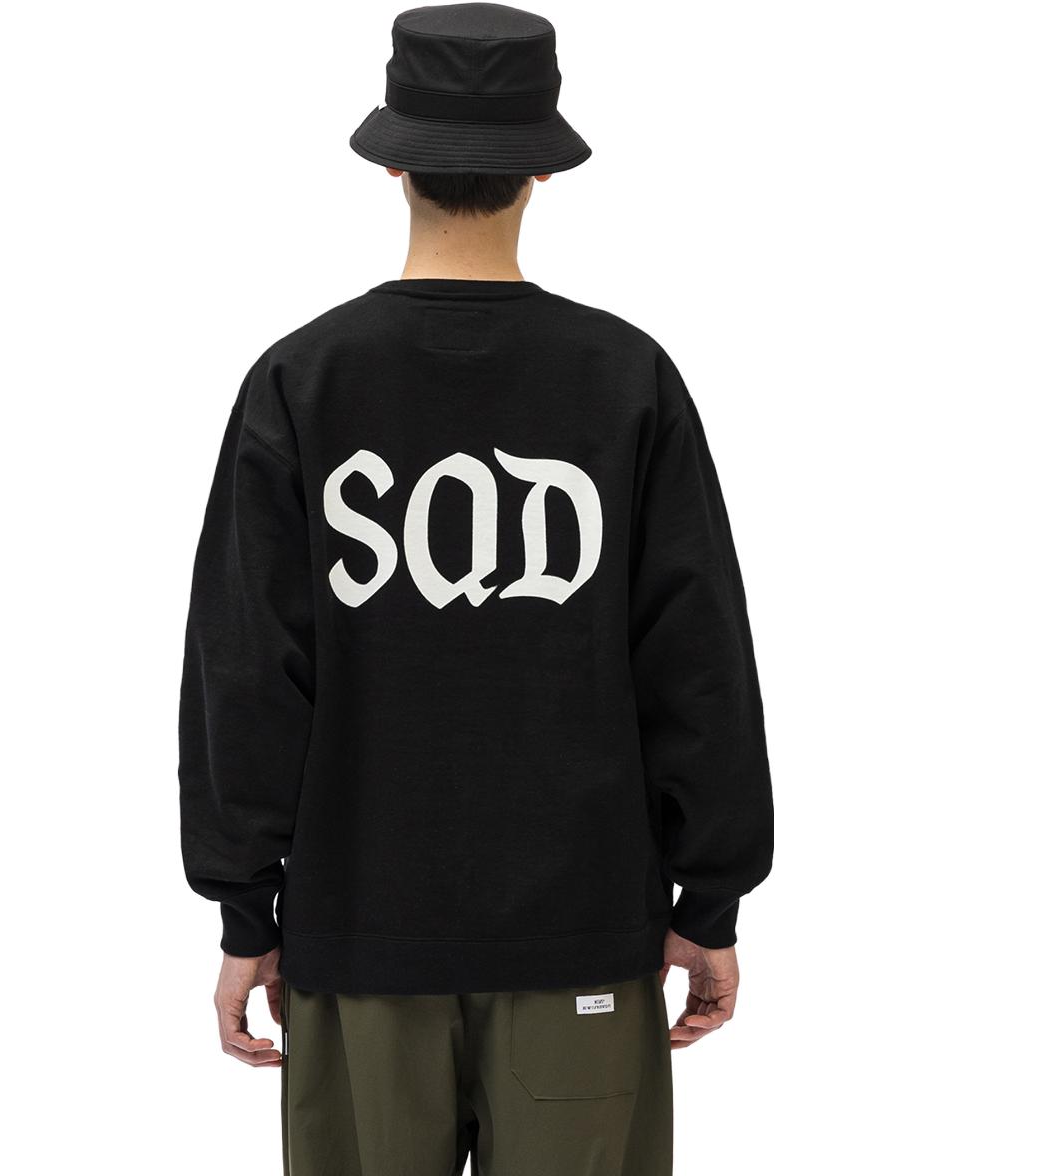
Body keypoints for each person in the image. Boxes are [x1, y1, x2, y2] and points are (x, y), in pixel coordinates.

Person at [177, 4, 774, 1173]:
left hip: (360, 937)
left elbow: (244, 676)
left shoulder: (300, 382)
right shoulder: (627, 381)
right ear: (542, 171)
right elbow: (698, 663)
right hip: (583, 937)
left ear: (392, 163)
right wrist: (710, 902)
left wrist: (247, 915)